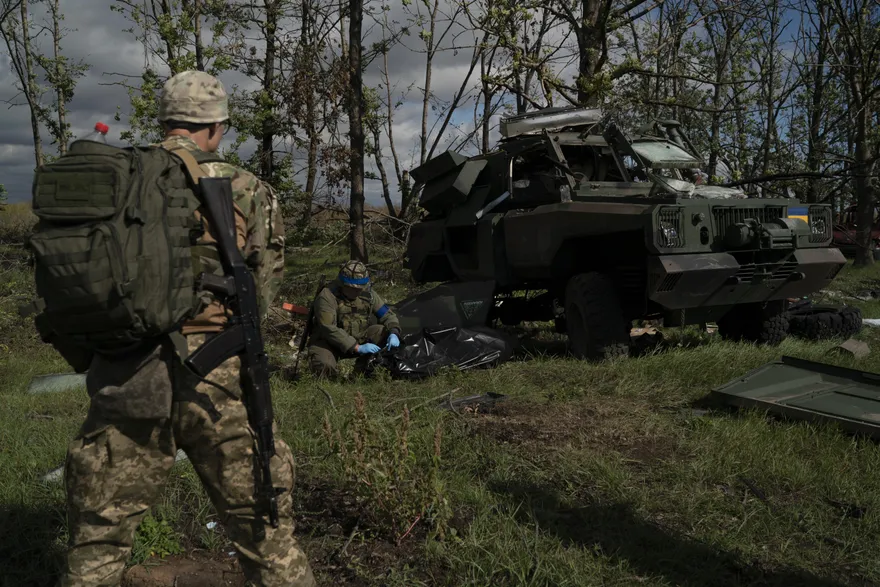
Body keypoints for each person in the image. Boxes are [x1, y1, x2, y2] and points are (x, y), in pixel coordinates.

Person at [59, 71, 316, 587]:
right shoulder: (244, 187)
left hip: (127, 372)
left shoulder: (119, 179)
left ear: (165, 120)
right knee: (266, 538)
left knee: (99, 539)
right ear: (217, 127)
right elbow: (262, 290)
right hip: (215, 380)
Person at [307, 260, 402, 378]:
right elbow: (328, 328)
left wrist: (394, 332)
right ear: (343, 284)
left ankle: (361, 372)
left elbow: (387, 314)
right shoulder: (327, 296)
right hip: (329, 342)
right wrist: (356, 347)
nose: (358, 291)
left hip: (360, 337)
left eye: (360, 288)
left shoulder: (368, 293)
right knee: (324, 366)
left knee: (382, 332)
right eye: (353, 288)